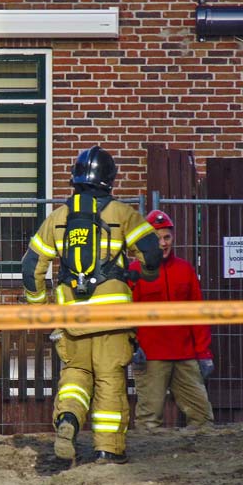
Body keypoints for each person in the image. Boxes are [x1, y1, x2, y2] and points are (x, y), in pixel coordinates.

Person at [21, 146, 162, 465]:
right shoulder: (123, 214)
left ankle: (68, 419)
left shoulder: (57, 218)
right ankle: (108, 449)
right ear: (109, 179)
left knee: (75, 373)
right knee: (110, 380)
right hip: (113, 319)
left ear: (75, 178)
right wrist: (146, 275)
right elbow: (152, 253)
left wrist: (40, 305)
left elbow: (31, 268)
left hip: (73, 318)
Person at [129, 209, 215, 431]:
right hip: (151, 357)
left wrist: (203, 354)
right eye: (157, 238)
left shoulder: (185, 270)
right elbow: (126, 317)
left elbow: (198, 314)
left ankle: (200, 464)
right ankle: (148, 465)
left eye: (167, 237)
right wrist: (133, 347)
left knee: (202, 418)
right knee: (148, 422)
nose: (163, 243)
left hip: (186, 356)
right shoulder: (134, 272)